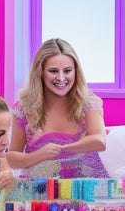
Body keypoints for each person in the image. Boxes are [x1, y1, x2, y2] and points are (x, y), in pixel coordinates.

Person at [7, 38, 109, 179]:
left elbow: (99, 141)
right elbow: (12, 158)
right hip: (40, 190)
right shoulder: (24, 108)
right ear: (41, 72)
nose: (61, 78)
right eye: (53, 71)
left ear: (75, 71)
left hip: (89, 188)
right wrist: (40, 155)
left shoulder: (88, 102)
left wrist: (62, 149)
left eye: (67, 71)